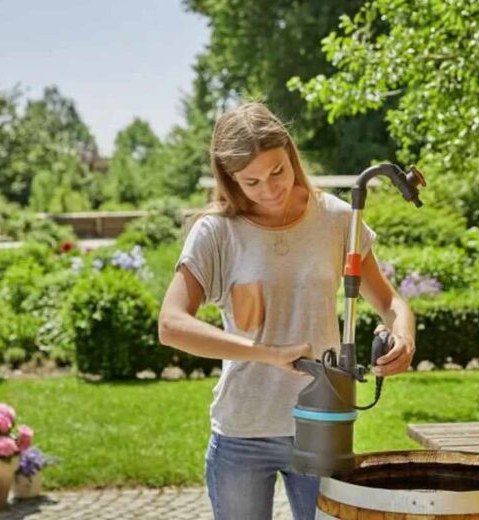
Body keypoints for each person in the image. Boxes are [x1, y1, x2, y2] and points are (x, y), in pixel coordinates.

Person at [158, 102, 416, 520]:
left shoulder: (334, 217)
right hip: (243, 430)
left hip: (324, 425)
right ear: (230, 179)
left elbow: (390, 303)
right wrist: (267, 353)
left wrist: (403, 336)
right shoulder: (217, 231)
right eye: (251, 181)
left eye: (277, 171)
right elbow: (171, 325)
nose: (269, 189)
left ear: (290, 153)